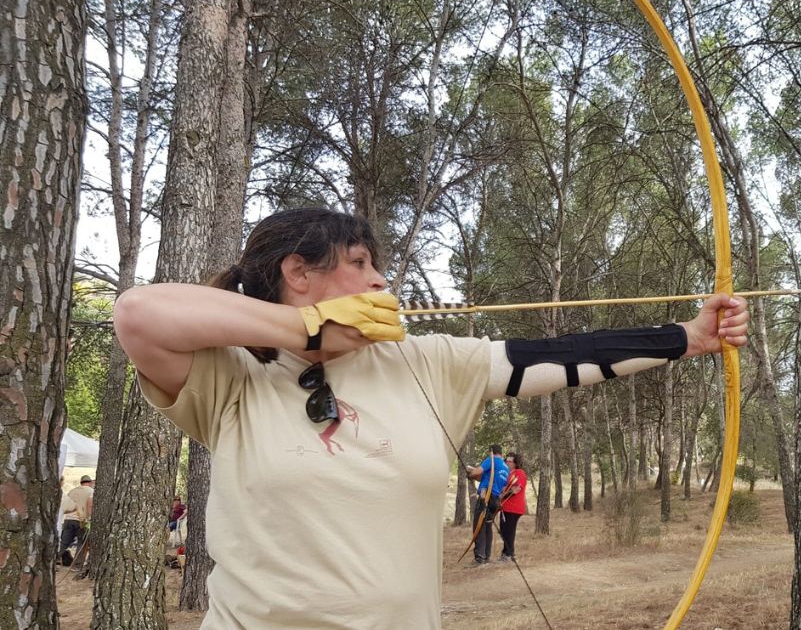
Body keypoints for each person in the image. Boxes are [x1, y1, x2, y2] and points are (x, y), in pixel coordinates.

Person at [113, 207, 749, 628]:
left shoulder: (428, 360)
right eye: (359, 264)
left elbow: (557, 357)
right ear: (298, 273)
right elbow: (138, 315)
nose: (380, 279)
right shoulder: (234, 380)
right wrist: (310, 334)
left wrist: (687, 338)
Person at [465, 444, 508, 565]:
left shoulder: (492, 460)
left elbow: (478, 471)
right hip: (495, 500)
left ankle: (479, 558)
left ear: (491, 452)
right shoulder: (506, 467)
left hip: (486, 498)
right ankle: (486, 556)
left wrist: (470, 474)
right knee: (487, 527)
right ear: (501, 453)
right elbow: (501, 485)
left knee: (478, 527)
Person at [497, 452, 527, 563]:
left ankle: (508, 555)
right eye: (507, 461)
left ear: (515, 463)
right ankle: (508, 553)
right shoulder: (508, 473)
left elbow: (516, 489)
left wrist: (502, 495)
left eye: (510, 461)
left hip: (514, 508)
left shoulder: (520, 472)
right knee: (504, 531)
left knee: (508, 531)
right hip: (506, 507)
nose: (507, 463)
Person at [59, 475, 94, 566]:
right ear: (89, 482)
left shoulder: (72, 491)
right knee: (81, 542)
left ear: (81, 482)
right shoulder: (91, 491)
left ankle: (55, 559)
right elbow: (90, 504)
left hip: (68, 519)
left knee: (64, 542)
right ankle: (77, 564)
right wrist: (90, 518)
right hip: (81, 520)